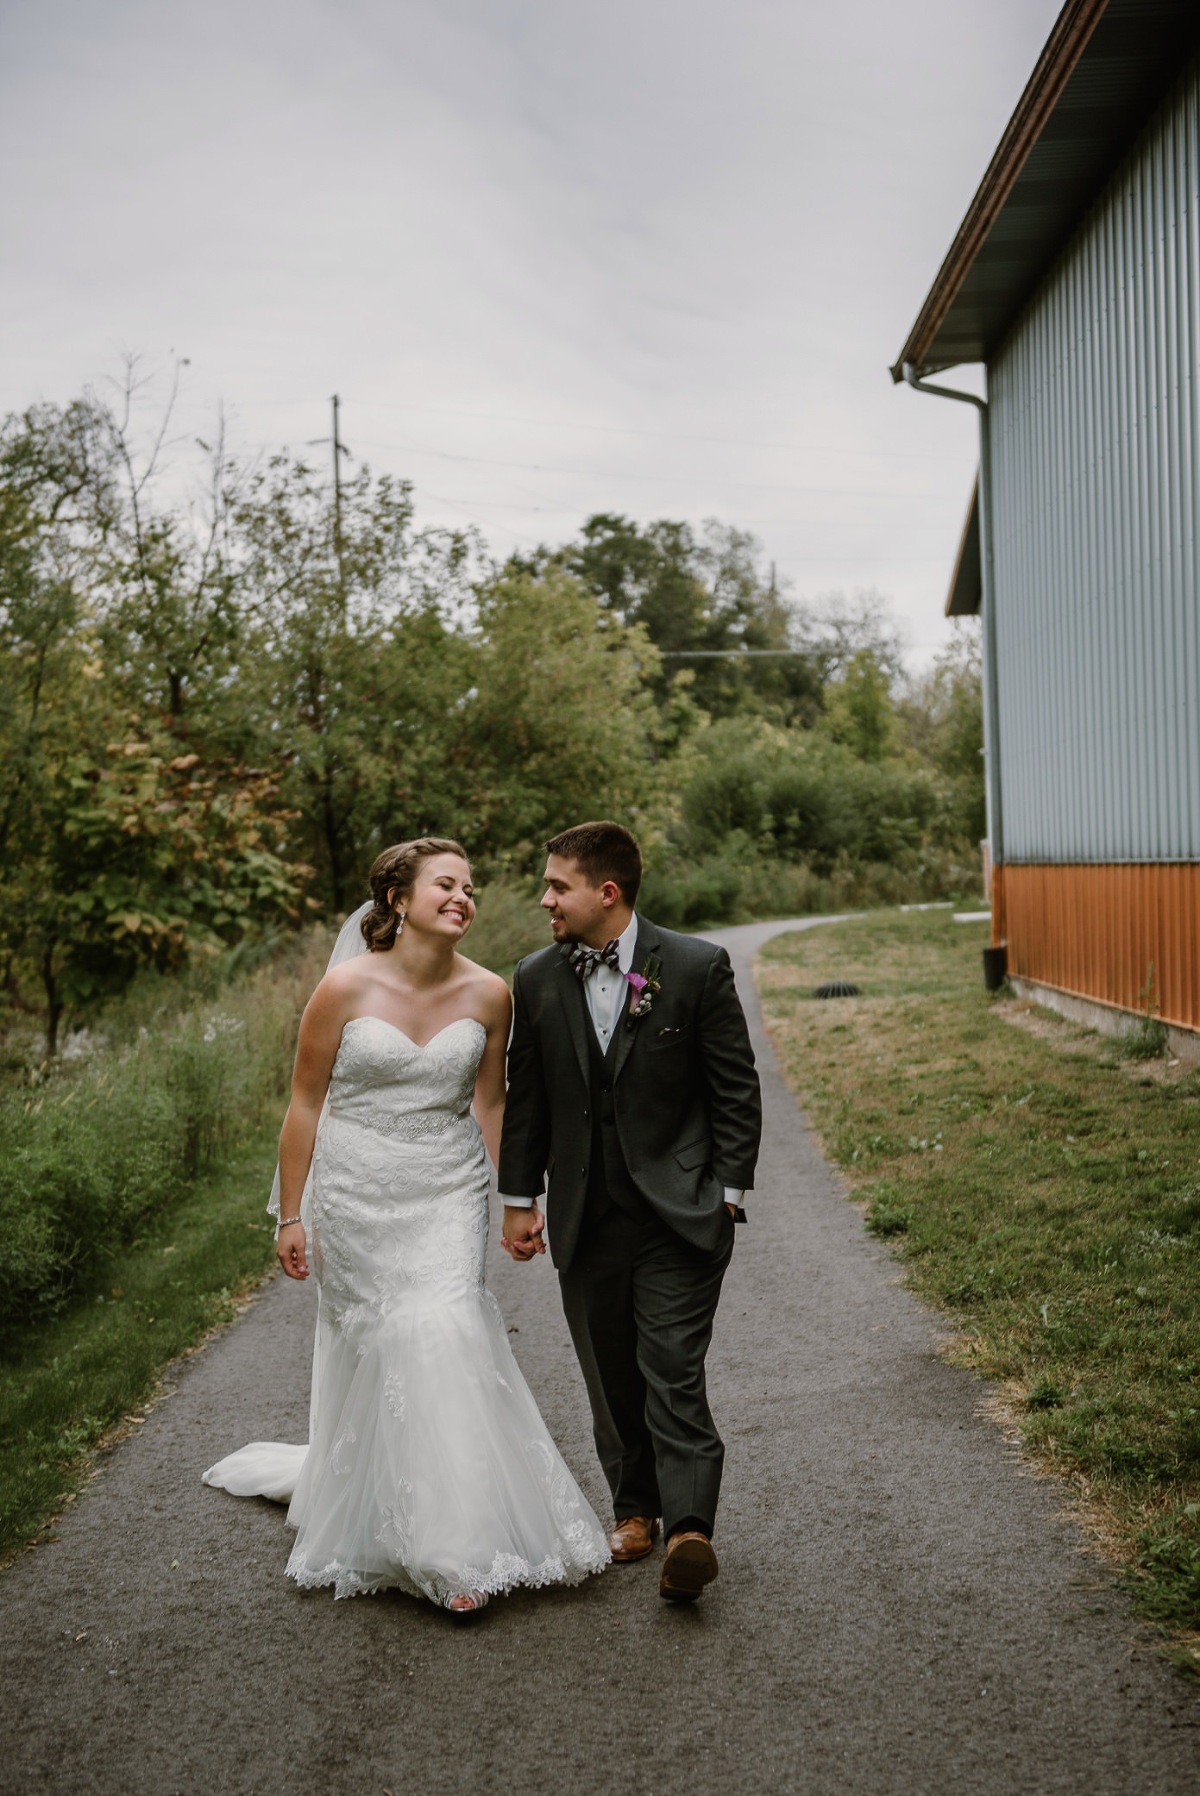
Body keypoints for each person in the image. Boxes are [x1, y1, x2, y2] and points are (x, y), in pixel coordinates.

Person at [203, 837, 609, 1616]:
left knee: (446, 1327)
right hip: (356, 1190)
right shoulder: (344, 990)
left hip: (446, 1186)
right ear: (397, 900)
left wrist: (516, 1198)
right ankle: (408, 1524)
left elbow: (490, 1103)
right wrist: (290, 1213)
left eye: (470, 888)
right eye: (445, 885)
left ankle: (451, 1549)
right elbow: (305, 1106)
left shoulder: (492, 993)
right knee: (389, 1343)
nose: (463, 898)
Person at [498, 821, 762, 1602]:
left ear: (604, 893)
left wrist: (729, 1193)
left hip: (680, 1211)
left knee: (671, 1366)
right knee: (609, 1371)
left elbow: (734, 1087)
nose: (544, 898)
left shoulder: (693, 966)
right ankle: (634, 1508)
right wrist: (521, 1198)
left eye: (556, 885)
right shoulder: (537, 977)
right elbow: (528, 1101)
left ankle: (689, 1530)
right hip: (586, 1211)